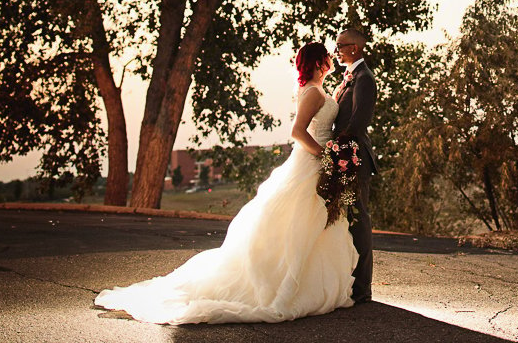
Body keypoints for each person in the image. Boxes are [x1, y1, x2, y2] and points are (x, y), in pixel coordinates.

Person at [93, 42, 357, 324]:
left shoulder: (316, 90)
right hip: (310, 162)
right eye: (328, 55)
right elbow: (297, 132)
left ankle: (310, 284)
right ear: (318, 62)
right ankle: (289, 287)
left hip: (315, 164)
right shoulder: (314, 93)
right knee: (301, 223)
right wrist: (325, 154)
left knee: (312, 223)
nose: (331, 58)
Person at [332, 28, 378, 303]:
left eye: (340, 46)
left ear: (355, 49)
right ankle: (346, 281)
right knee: (346, 218)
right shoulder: (349, 77)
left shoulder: (364, 79)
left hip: (354, 157)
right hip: (342, 154)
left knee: (358, 220)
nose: (336, 50)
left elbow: (359, 121)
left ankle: (362, 288)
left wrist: (337, 148)